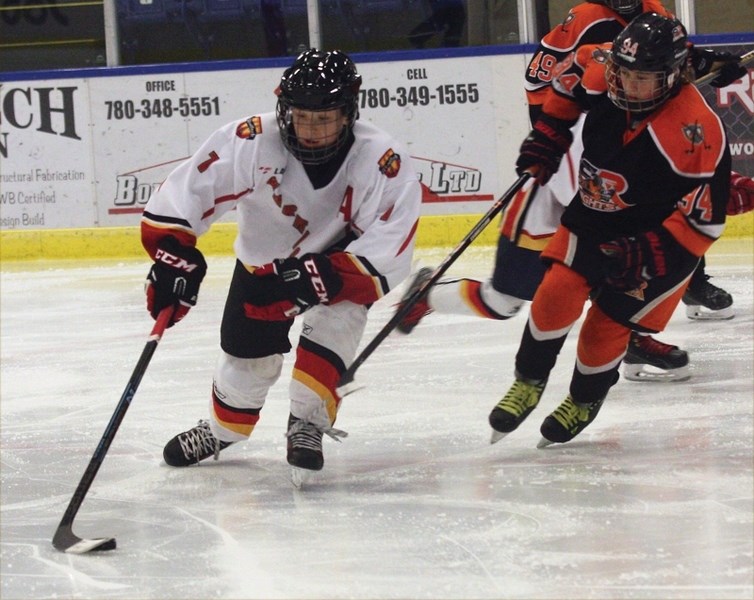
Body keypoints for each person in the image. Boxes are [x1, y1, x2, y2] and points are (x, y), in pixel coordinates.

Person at [395, 0, 746, 382]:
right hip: (564, 182)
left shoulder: (656, 14)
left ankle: (632, 339)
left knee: (634, 259)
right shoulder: (584, 19)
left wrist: (715, 63)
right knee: (504, 300)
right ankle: (428, 293)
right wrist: (552, 135)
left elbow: (675, 63)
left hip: (619, 183)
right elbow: (539, 79)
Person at [140, 49, 422, 480]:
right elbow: (187, 192)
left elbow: (392, 244)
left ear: (348, 113)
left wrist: (325, 276)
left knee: (336, 324)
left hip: (335, 266)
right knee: (244, 360)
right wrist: (172, 255)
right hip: (262, 265)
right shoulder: (250, 139)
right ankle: (221, 429)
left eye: (324, 118)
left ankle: (307, 424)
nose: (310, 130)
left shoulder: (381, 158)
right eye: (301, 116)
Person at [490, 12, 730, 446]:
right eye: (622, 73)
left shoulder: (697, 131)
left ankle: (585, 398)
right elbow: (571, 76)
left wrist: (651, 253)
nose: (626, 86)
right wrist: (551, 129)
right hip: (595, 214)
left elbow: (705, 218)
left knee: (605, 327)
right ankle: (529, 379)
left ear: (672, 77)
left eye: (642, 79)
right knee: (554, 294)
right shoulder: (604, 68)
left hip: (654, 240)